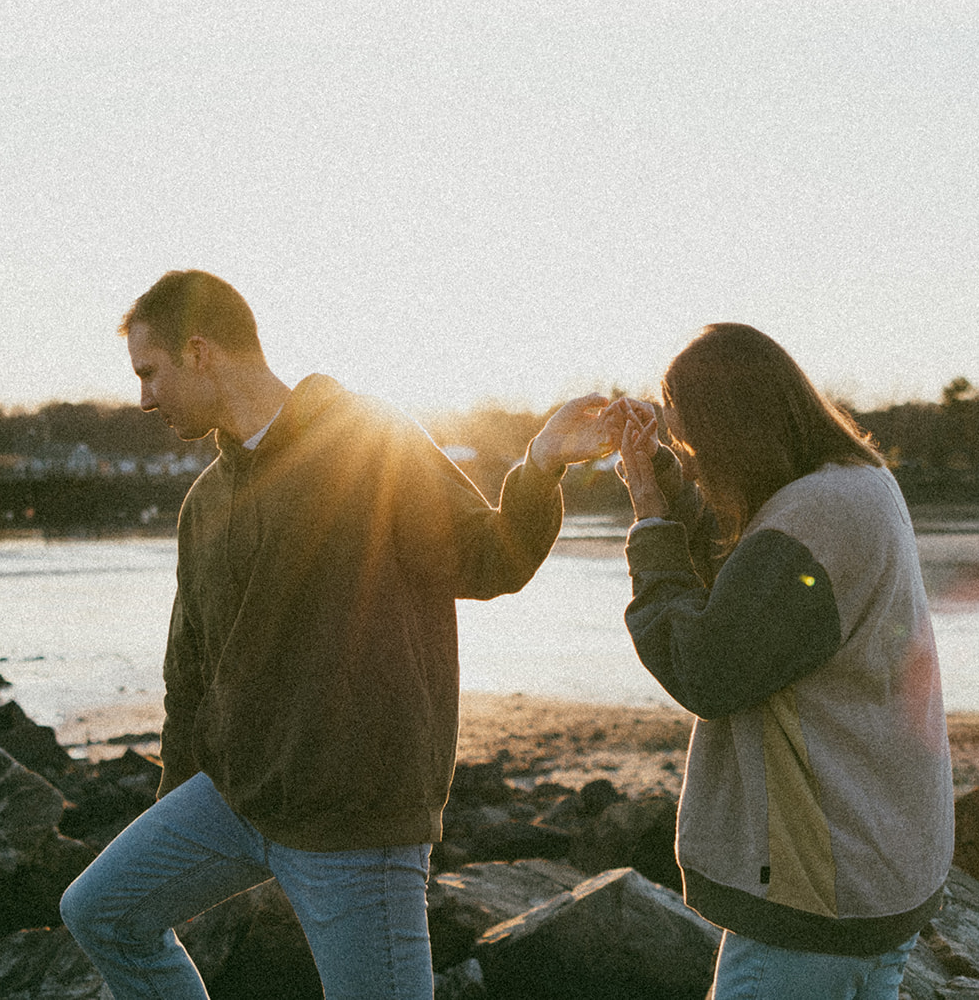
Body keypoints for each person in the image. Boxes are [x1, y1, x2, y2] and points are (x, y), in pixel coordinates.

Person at [60, 269, 616, 1000]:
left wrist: (539, 466)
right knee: (100, 911)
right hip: (234, 799)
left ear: (200, 351)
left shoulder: (367, 441)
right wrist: (174, 799)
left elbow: (491, 557)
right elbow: (190, 670)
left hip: (357, 814)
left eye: (149, 372)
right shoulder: (206, 501)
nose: (143, 397)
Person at [608, 323, 953, 1000]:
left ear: (736, 431)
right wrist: (667, 478)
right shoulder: (858, 485)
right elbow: (749, 576)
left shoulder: (809, 524)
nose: (695, 459)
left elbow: (705, 666)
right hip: (877, 872)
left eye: (696, 443)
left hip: (816, 896)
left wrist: (650, 517)